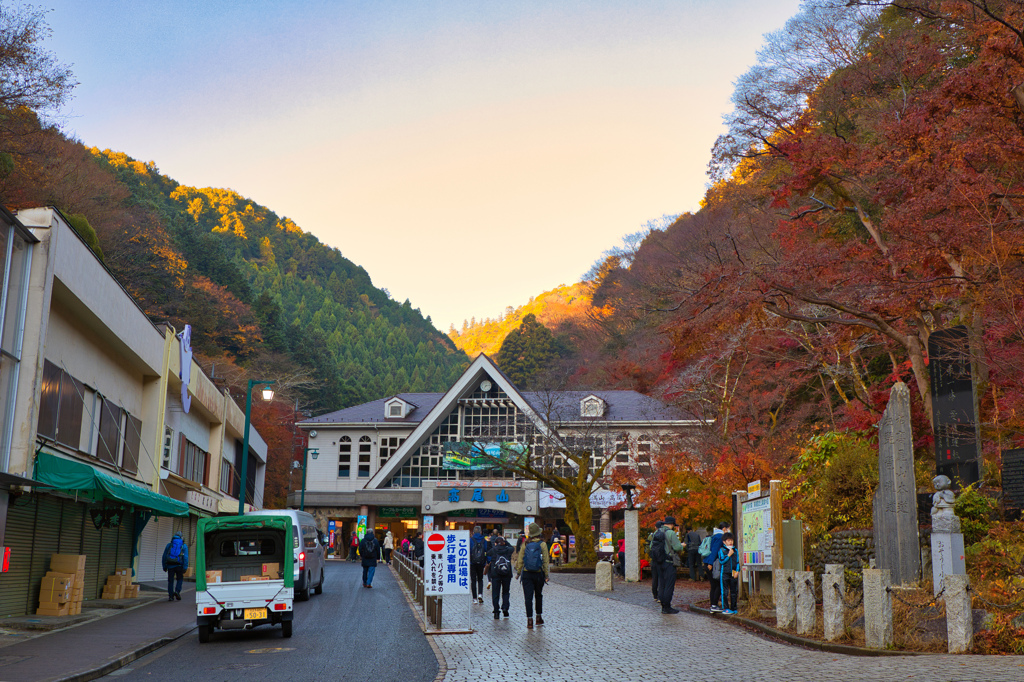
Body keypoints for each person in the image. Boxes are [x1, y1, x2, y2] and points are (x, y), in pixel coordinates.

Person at [513, 522, 549, 629]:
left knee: (528, 598)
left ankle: (529, 620)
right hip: (538, 573)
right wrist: (546, 574)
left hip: (527, 573)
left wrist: (518, 572)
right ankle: (538, 617)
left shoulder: (525, 544)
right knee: (538, 595)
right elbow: (546, 561)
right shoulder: (542, 544)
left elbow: (520, 560)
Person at [657, 516, 685, 614]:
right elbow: (677, 547)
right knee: (669, 585)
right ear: (672, 524)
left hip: (659, 562)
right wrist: (682, 546)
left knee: (661, 584)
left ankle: (662, 606)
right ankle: (667, 607)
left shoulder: (657, 532)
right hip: (669, 562)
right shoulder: (671, 533)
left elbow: (652, 547)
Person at [485, 534, 515, 619]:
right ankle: (505, 608)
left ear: (495, 543)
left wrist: (488, 543)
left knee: (495, 593)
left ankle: (496, 611)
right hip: (507, 573)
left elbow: (487, 552)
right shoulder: (508, 549)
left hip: (495, 574)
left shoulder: (494, 550)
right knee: (506, 592)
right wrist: (505, 541)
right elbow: (512, 547)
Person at [706, 522, 730, 612]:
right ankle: (714, 605)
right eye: (727, 528)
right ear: (724, 528)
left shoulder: (714, 535)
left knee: (713, 585)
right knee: (719, 585)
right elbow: (715, 550)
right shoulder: (720, 537)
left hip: (708, 562)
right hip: (714, 564)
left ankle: (713, 605)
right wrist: (711, 563)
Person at [717, 532, 740, 614]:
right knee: (725, 591)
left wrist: (737, 571)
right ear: (724, 542)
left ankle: (734, 608)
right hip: (725, 573)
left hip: (733, 573)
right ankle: (725, 608)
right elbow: (722, 561)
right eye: (728, 540)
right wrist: (728, 555)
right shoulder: (721, 550)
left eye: (732, 540)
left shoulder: (735, 550)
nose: (730, 542)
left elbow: (738, 562)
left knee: (734, 592)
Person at [161, 532, 189, 602]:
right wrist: (185, 567)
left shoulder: (169, 545)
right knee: (179, 579)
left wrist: (164, 566)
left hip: (170, 566)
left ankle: (170, 596)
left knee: (170, 581)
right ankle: (177, 591)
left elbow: (164, 556)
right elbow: (185, 557)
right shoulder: (183, 546)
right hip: (179, 565)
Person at [470, 525, 488, 604]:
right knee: (480, 579)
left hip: (472, 562)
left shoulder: (470, 540)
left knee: (473, 580)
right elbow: (486, 551)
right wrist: (487, 561)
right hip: (481, 562)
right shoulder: (484, 540)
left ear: (473, 532)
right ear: (481, 532)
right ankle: (480, 594)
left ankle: (474, 598)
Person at [647, 520, 664, 601]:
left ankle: (655, 595)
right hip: (661, 559)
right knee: (661, 578)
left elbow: (649, 547)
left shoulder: (652, 535)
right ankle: (661, 596)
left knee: (655, 578)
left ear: (655, 527)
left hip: (653, 559)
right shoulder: (664, 534)